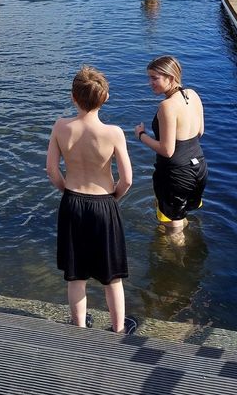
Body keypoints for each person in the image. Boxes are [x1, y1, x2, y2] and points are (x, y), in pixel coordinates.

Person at [46, 66, 135, 334]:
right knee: (112, 277)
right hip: (104, 204)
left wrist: (66, 191)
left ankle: (79, 327)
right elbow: (127, 179)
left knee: (76, 275)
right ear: (105, 97)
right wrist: (113, 199)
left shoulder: (61, 127)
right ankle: (118, 329)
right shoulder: (114, 133)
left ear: (73, 97)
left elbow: (51, 170)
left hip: (73, 202)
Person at [134, 56, 207, 243]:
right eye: (149, 78)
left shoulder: (166, 106)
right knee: (180, 218)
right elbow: (200, 131)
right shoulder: (192, 94)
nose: (150, 83)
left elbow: (167, 150)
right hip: (198, 168)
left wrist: (142, 136)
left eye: (154, 78)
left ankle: (178, 267)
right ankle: (185, 249)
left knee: (173, 230)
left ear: (171, 78)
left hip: (176, 175)